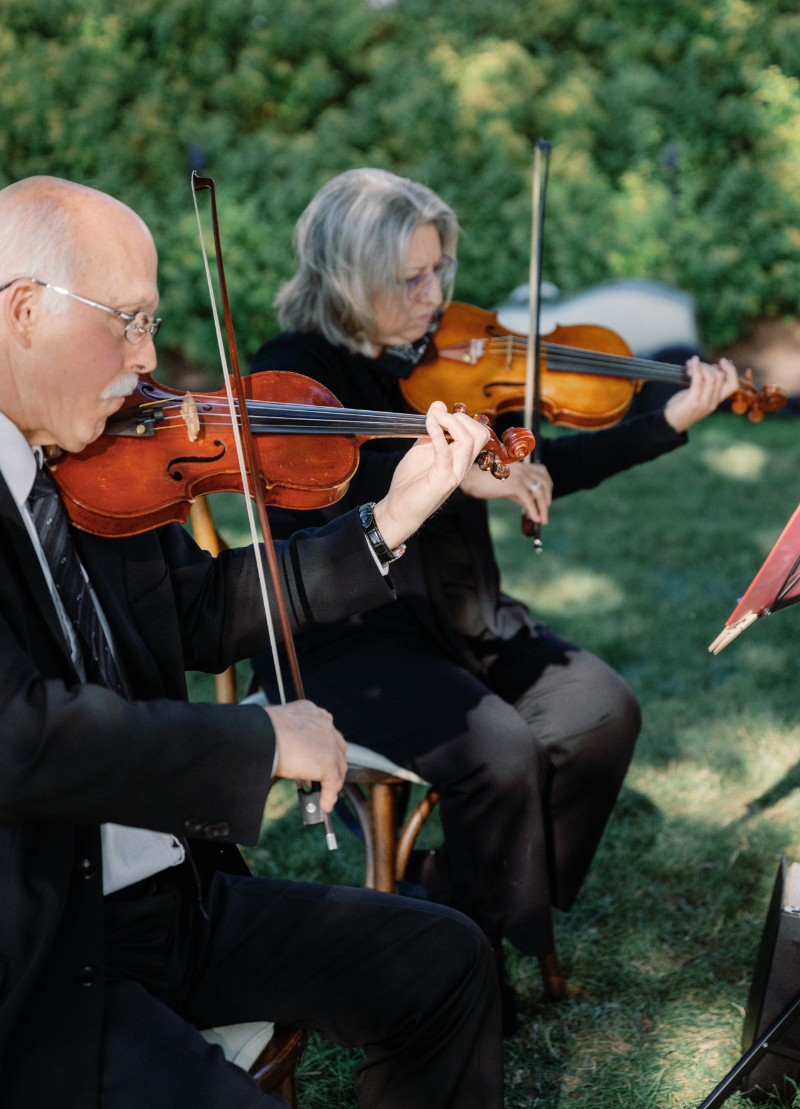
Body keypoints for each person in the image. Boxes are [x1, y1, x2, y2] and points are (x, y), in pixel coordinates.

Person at [0, 175, 503, 1109]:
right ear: (25, 309)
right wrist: (262, 738)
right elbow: (20, 737)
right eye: (129, 321)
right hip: (36, 957)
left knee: (447, 959)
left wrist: (387, 521)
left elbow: (207, 608)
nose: (148, 362)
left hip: (166, 903)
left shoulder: (84, 470)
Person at [250, 167, 741, 1031]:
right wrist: (445, 476)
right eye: (411, 278)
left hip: (463, 618)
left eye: (440, 269)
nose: (436, 294)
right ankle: (459, 963)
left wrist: (664, 424)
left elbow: (543, 461)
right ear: (346, 275)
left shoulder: (454, 359)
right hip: (347, 637)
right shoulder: (293, 374)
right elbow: (323, 485)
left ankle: (453, 891)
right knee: (499, 750)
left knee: (602, 710)